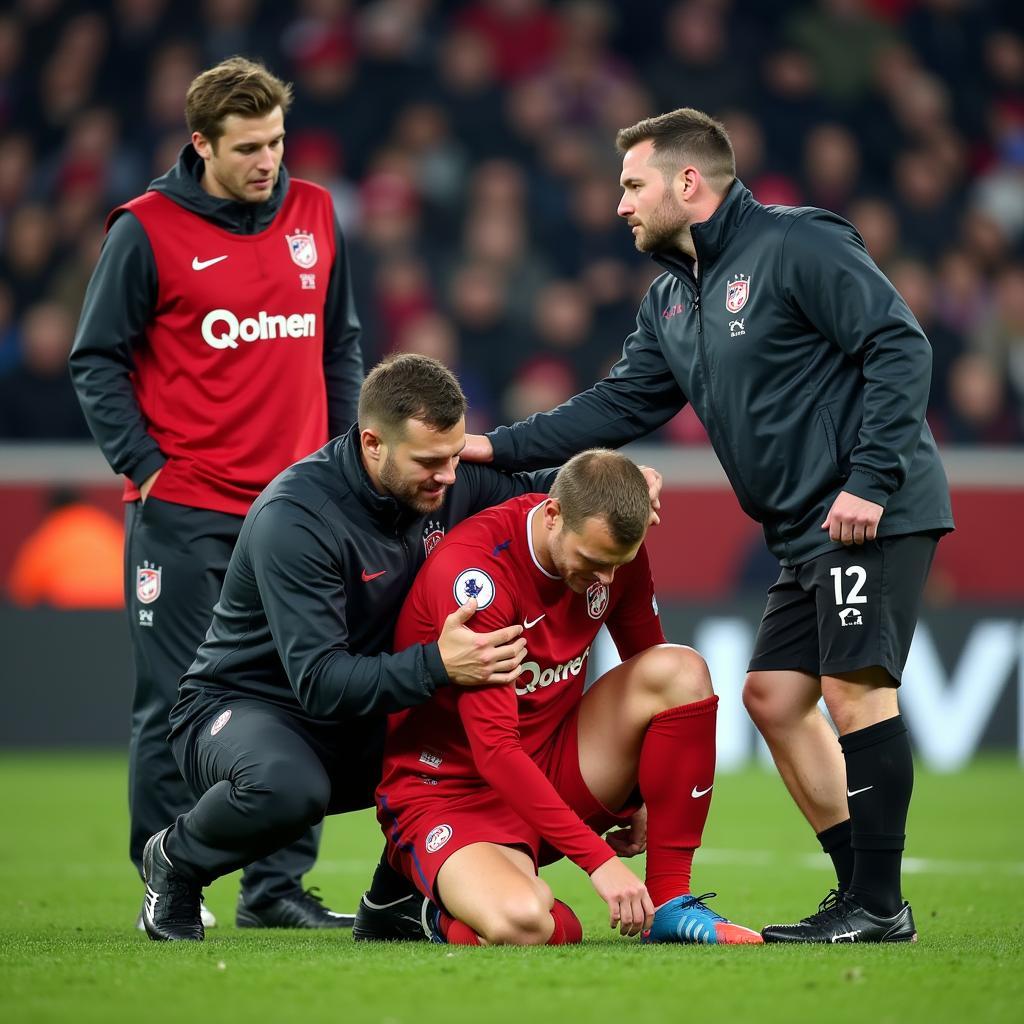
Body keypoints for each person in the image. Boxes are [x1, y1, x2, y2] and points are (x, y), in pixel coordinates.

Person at [461, 108, 954, 943]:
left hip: (870, 509)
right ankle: (860, 894)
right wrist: (489, 448)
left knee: (852, 689)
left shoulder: (798, 244)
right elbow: (616, 405)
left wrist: (870, 480)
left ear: (688, 183)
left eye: (631, 184)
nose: (619, 204)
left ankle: (878, 905)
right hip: (805, 529)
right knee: (773, 696)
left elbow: (900, 347)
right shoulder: (672, 300)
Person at [135, 353, 576, 941]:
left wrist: (616, 486)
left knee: (490, 730)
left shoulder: (447, 477)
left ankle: (394, 896)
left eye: (453, 455)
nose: (447, 476)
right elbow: (318, 683)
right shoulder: (296, 518)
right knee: (287, 786)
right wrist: (438, 664)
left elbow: (549, 499)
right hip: (245, 708)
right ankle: (176, 862)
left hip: (360, 715)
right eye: (428, 462)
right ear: (372, 443)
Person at [68, 57, 364, 930]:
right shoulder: (146, 229)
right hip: (187, 511)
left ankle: (275, 892)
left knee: (307, 695)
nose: (266, 160)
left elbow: (337, 346)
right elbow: (96, 359)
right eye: (246, 147)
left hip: (301, 514)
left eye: (275, 140)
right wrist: (148, 467)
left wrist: (344, 461)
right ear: (200, 143)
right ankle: (170, 883)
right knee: (174, 703)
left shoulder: (315, 213)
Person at [378, 448, 762, 946]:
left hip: (554, 763)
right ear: (554, 516)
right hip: (451, 789)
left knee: (681, 670)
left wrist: (645, 790)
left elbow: (651, 665)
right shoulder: (476, 580)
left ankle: (670, 902)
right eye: (593, 562)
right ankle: (416, 909)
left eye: (617, 564)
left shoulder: (611, 550)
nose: (605, 578)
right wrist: (599, 863)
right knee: (526, 922)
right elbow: (495, 751)